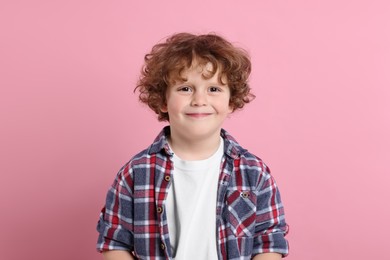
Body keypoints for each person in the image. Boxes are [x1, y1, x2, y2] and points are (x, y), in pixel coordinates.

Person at [96, 32, 289, 260]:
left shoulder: (254, 172)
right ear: (163, 100)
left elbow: (269, 240)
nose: (199, 100)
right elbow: (114, 241)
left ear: (231, 101)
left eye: (214, 89)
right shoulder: (136, 172)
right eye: (185, 88)